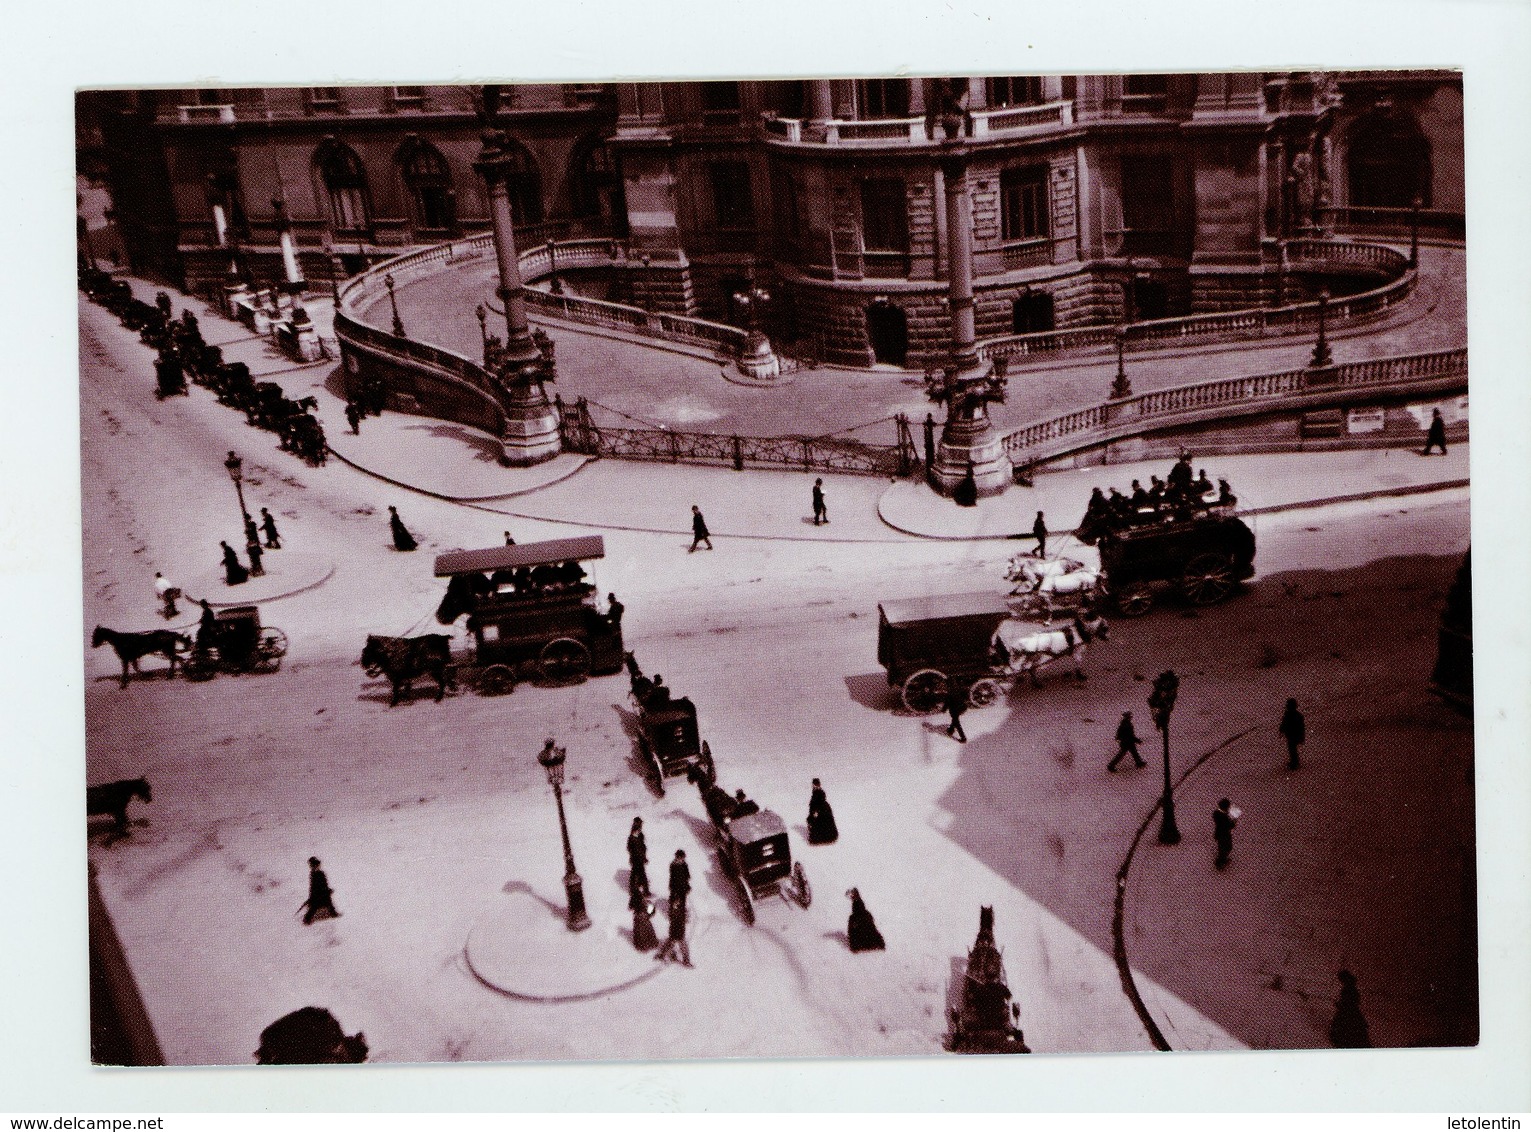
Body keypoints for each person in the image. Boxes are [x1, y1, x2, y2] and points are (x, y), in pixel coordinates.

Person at [1329, 970, 1372, 1048]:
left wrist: (1340, 1005)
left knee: (1346, 1028)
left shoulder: (1348, 988)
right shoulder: (1351, 987)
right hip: (1351, 1011)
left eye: (1341, 979)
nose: (1341, 981)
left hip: (1348, 1012)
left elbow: (1349, 1001)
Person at [655, 894, 692, 966]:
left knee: (682, 945)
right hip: (673, 929)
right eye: (675, 902)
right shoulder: (673, 909)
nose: (676, 903)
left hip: (680, 930)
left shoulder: (682, 909)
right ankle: (662, 955)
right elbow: (671, 917)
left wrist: (684, 917)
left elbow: (686, 918)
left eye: (677, 901)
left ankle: (686, 960)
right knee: (670, 943)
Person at [300, 856, 339, 924]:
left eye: (317, 865)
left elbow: (324, 884)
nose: (316, 867)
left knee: (328, 902)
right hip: (317, 893)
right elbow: (313, 887)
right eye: (313, 866)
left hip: (323, 892)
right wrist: (312, 896)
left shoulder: (320, 873)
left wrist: (328, 890)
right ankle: (306, 919)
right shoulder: (313, 874)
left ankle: (333, 913)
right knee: (314, 906)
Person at [846, 888, 886, 952]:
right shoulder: (867, 915)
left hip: (860, 946)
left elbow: (851, 933)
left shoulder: (853, 918)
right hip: (873, 944)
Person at [807, 778, 839, 844]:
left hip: (821, 810)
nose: (813, 786)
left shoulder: (820, 791)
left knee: (821, 823)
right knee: (816, 822)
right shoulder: (815, 791)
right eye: (813, 784)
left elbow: (820, 801)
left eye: (815, 784)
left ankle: (823, 839)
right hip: (817, 808)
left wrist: (817, 811)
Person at [1279, 698, 1306, 771]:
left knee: (1292, 749)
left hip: (1292, 734)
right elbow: (1302, 727)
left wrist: (1281, 730)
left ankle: (1294, 762)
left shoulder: (1289, 715)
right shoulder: (1298, 715)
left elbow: (1284, 723)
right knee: (1292, 749)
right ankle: (1294, 761)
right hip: (1293, 734)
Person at [626, 817, 649, 902]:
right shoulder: (632, 837)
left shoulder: (640, 835)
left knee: (638, 874)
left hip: (640, 858)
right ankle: (639, 890)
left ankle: (643, 890)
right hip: (636, 859)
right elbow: (630, 848)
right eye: (640, 824)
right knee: (637, 874)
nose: (641, 826)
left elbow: (642, 846)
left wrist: (644, 857)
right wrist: (637, 856)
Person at [1213, 798, 1239, 870]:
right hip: (1224, 835)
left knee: (1222, 848)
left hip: (1219, 834)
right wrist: (1234, 820)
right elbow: (1230, 826)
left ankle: (1221, 860)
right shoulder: (1223, 817)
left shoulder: (1216, 813)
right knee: (1226, 848)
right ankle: (1219, 863)